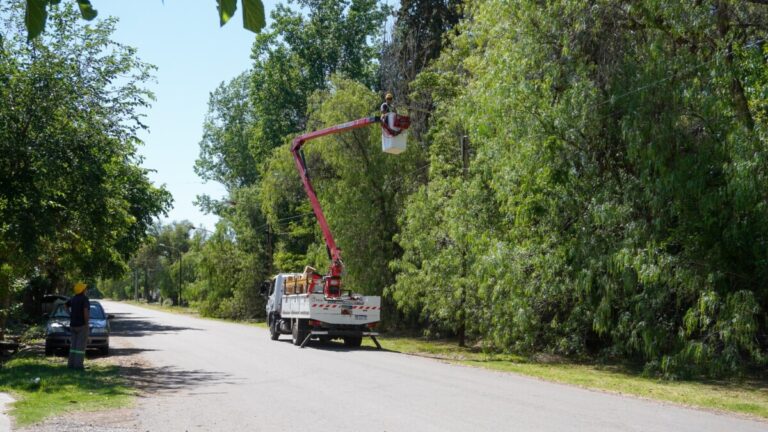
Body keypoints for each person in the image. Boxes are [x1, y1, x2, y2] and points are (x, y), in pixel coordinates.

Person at [65, 282, 90, 370]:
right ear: (82, 290)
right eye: (85, 288)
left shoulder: (73, 298)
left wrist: (70, 314)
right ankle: (78, 366)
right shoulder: (84, 299)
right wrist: (87, 324)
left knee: (73, 346)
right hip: (81, 325)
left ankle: (71, 364)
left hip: (73, 325)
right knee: (80, 347)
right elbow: (85, 312)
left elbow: (65, 305)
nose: (86, 289)